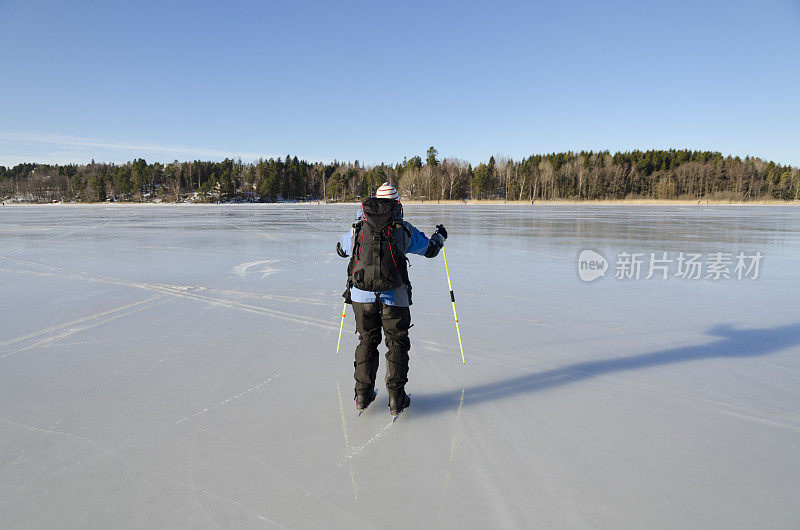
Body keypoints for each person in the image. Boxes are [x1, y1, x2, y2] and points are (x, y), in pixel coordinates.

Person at [336, 182, 447, 415]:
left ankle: (362, 395)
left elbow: (341, 249)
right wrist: (439, 237)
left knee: (367, 341)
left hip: (361, 296)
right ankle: (396, 398)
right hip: (394, 297)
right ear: (396, 204)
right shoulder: (402, 228)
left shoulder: (359, 226)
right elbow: (430, 250)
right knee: (396, 343)